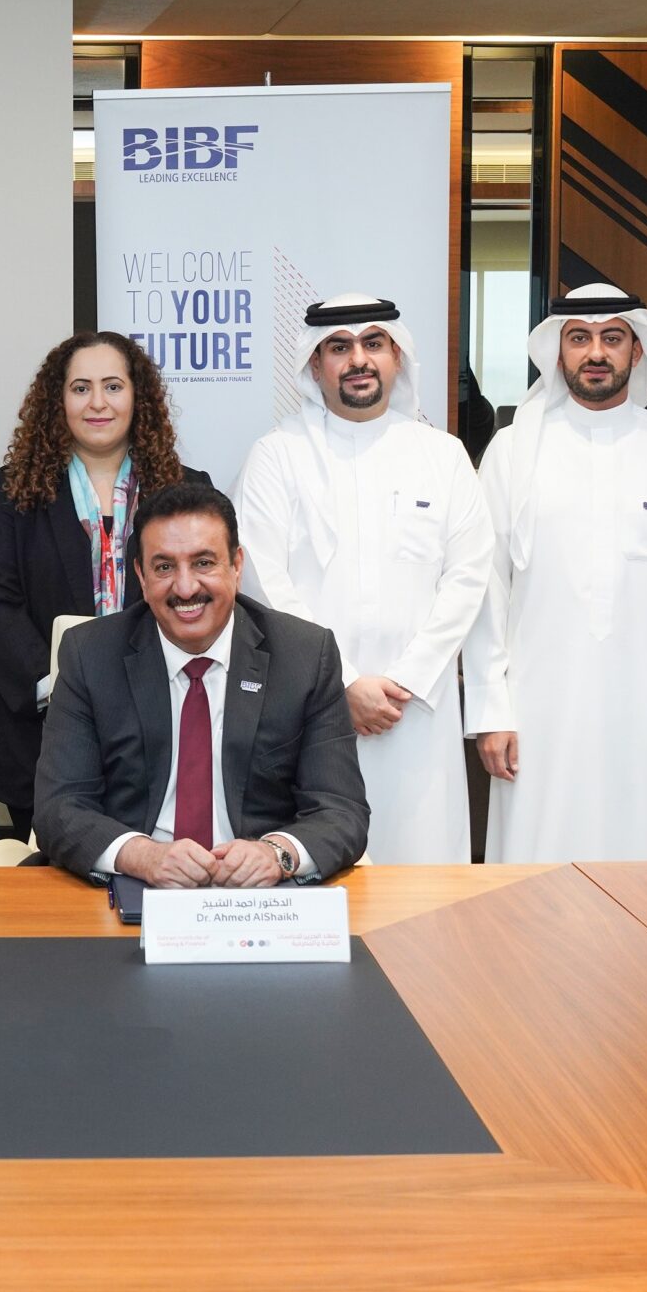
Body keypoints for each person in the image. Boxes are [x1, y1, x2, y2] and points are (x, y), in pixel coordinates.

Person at [464, 285, 647, 863]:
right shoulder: (512, 451)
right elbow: (487, 592)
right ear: (556, 352)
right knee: (534, 874)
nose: (596, 352)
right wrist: (491, 712)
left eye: (613, 337)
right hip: (535, 713)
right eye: (579, 338)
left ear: (637, 351)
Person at [237, 295, 494, 865]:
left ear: (397, 357)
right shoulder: (276, 456)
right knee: (313, 870)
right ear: (315, 364)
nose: (358, 359)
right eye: (339, 347)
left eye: (373, 344)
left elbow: (468, 576)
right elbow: (260, 578)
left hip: (417, 712)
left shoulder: (444, 455)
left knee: (424, 878)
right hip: (308, 708)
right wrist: (342, 684)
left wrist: (406, 680)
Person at [34, 480, 369, 886]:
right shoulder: (89, 655)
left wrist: (275, 854)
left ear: (237, 566)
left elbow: (341, 811)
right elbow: (59, 808)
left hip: (260, 893)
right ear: (141, 575)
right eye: (164, 567)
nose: (186, 587)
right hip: (135, 883)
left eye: (204, 563)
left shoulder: (304, 656)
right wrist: (143, 856)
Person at [0, 330, 209, 843]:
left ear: (138, 397)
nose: (98, 402)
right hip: (43, 728)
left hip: (160, 721)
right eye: (81, 388)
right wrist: (62, 689)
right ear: (58, 401)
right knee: (52, 880)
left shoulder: (188, 490)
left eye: (113, 387)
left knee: (154, 870)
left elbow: (203, 598)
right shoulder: (14, 490)